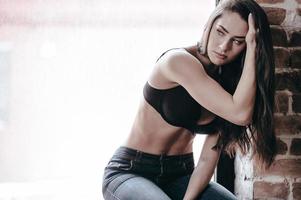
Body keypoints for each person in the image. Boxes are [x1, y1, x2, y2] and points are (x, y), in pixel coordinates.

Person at [102, 0, 277, 199]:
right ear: (209, 25)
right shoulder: (177, 61)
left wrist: (254, 47)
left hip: (181, 174)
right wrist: (252, 45)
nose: (223, 46)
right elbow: (241, 114)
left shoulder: (231, 86)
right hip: (132, 171)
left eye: (238, 41)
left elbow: (206, 160)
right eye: (220, 32)